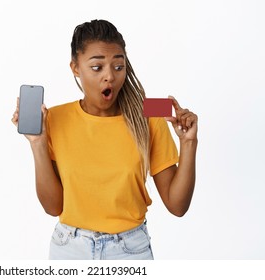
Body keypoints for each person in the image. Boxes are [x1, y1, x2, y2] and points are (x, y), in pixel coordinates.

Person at [11, 19, 198, 260]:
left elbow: (177, 206)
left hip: (130, 251)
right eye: (97, 67)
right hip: (69, 249)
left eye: (118, 67)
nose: (109, 76)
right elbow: (53, 207)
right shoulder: (55, 118)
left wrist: (189, 143)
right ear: (75, 68)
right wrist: (37, 143)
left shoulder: (149, 114)